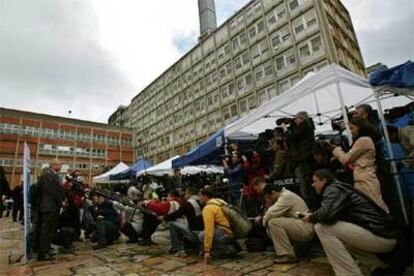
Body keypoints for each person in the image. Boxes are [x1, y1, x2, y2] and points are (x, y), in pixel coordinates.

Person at [303, 169, 396, 276]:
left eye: (315, 181)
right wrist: (313, 214)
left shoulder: (333, 189)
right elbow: (331, 212)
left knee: (322, 227)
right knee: (339, 237)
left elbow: (326, 215)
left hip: (382, 237)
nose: (312, 185)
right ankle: (378, 267)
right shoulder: (339, 188)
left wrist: (311, 217)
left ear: (324, 180)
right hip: (384, 236)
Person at [332, 118, 389, 212]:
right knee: (373, 207)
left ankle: (386, 224)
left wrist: (337, 150)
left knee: (375, 207)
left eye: (352, 128)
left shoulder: (363, 140)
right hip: (364, 178)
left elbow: (345, 159)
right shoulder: (365, 140)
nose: (350, 132)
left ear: (360, 128)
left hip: (365, 178)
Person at [262, 184, 314, 263]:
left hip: (305, 228)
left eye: (269, 197)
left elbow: (270, 213)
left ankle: (287, 255)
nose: (270, 200)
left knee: (273, 223)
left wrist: (268, 205)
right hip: (302, 225)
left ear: (273, 193)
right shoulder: (284, 195)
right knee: (271, 226)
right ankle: (294, 248)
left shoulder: (285, 197)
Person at [199, 188, 241, 264]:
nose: (199, 198)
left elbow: (209, 230)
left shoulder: (208, 208)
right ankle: (231, 245)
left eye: (200, 196)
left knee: (201, 235)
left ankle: (228, 249)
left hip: (224, 233)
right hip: (232, 231)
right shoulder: (220, 201)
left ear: (205, 196)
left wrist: (207, 251)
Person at [284, 111, 316, 209]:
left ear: (302, 119)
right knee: (305, 187)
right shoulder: (303, 128)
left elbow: (291, 138)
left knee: (305, 189)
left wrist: (286, 129)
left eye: (296, 118)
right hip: (302, 161)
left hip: (303, 161)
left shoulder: (304, 128)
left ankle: (310, 210)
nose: (295, 120)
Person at [162, 187, 204, 257]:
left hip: (195, 233)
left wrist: (164, 217)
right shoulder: (201, 201)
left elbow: (177, 213)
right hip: (203, 230)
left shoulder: (189, 203)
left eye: (186, 193)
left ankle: (180, 250)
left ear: (189, 193)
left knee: (173, 225)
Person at [36, 159, 65, 261]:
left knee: (50, 230)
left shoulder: (53, 175)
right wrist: (61, 201)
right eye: (60, 165)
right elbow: (53, 191)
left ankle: (47, 249)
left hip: (53, 206)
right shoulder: (48, 175)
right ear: (54, 165)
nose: (61, 167)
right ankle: (43, 253)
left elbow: (59, 190)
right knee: (46, 230)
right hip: (49, 206)